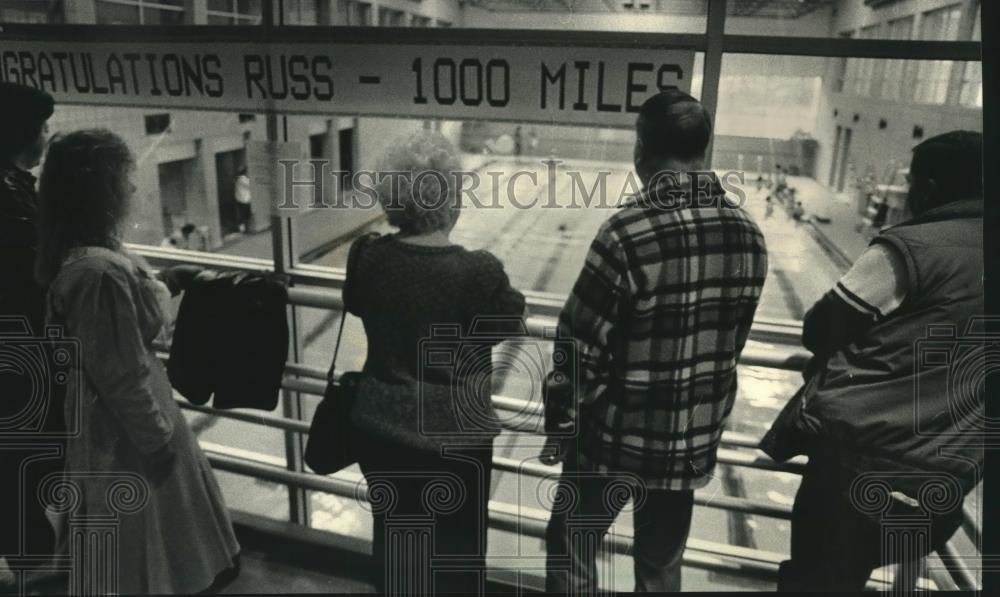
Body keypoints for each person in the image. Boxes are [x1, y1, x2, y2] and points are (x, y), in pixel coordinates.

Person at [541, 90, 768, 593]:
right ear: (704, 151)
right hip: (687, 444)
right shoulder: (749, 236)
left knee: (572, 550)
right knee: (661, 566)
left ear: (641, 150)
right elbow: (731, 343)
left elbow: (577, 347)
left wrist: (559, 426)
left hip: (612, 441)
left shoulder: (627, 232)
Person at [771, 131, 985, 592]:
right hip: (947, 480)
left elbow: (821, 327)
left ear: (927, 188)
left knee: (816, 581)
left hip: (862, 469)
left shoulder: (909, 249)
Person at [34, 129, 240, 594]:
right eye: (123, 180)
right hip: (128, 436)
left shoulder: (85, 260)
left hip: (108, 423)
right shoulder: (100, 274)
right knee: (151, 545)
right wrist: (157, 438)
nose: (130, 190)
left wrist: (168, 280)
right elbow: (121, 371)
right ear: (99, 192)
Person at [342, 131, 525, 594]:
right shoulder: (477, 272)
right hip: (456, 444)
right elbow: (506, 322)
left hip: (381, 433)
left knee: (397, 549)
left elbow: (358, 303)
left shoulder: (366, 257)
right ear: (451, 199)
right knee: (457, 562)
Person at [0, 82, 62, 588]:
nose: (47, 135)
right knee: (24, 470)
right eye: (43, 127)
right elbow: (42, 269)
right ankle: (36, 569)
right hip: (19, 358)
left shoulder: (17, 185)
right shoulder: (12, 201)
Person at [234, 166, 252, 233]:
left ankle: (243, 228)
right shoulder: (243, 179)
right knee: (245, 215)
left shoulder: (238, 179)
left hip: (240, 199)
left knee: (243, 214)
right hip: (244, 200)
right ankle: (243, 229)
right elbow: (250, 184)